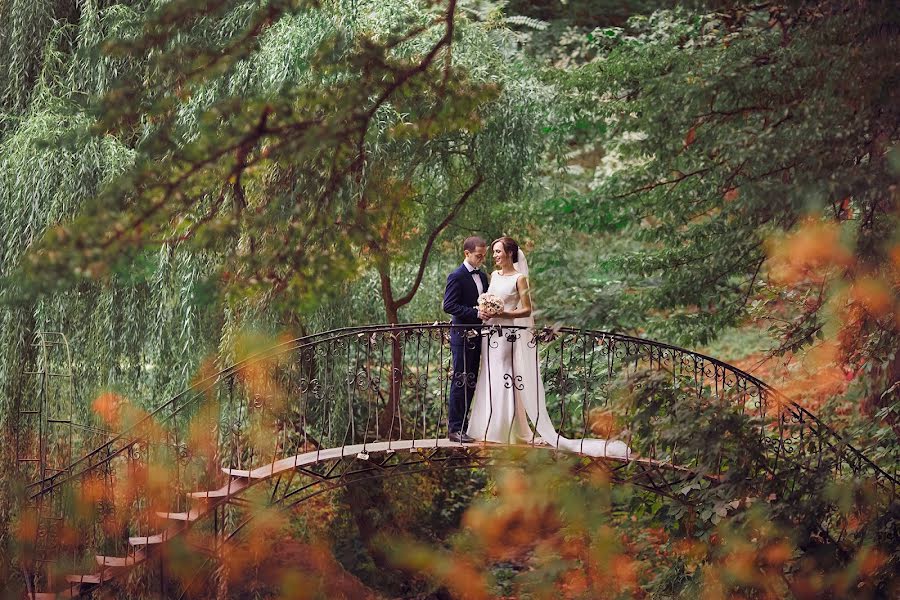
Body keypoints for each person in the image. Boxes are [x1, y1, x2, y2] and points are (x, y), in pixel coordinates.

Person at [466, 237, 631, 459]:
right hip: (490, 335)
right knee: (490, 375)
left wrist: (502, 313)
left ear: (510, 254)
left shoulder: (520, 279)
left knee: (504, 375)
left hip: (507, 336)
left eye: (498, 252)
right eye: (493, 252)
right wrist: (486, 309)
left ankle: (505, 430)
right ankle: (486, 426)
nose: (494, 256)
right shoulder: (493, 276)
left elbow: (526, 311)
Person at [442, 236, 490, 443]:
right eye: (479, 255)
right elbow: (449, 306)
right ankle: (454, 429)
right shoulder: (457, 276)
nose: (481, 259)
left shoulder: (483, 276)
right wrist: (475, 313)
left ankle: (465, 426)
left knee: (470, 381)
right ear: (467, 253)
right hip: (461, 336)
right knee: (460, 380)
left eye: (483, 256)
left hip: (478, 336)